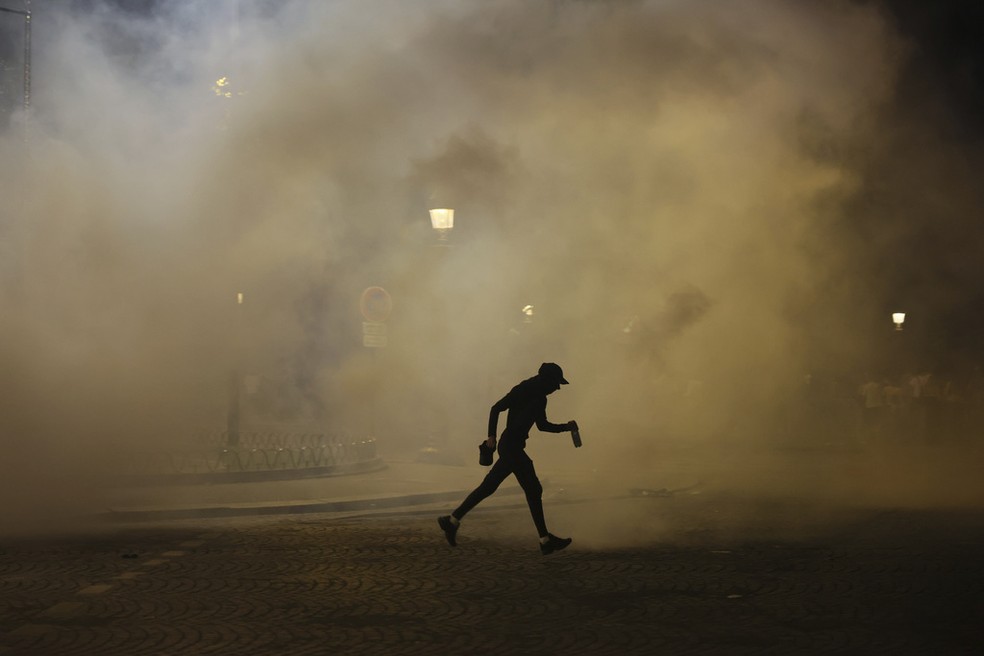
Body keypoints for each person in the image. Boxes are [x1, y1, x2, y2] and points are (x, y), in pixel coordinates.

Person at [438, 362, 578, 555]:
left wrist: (566, 427)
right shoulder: (524, 389)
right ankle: (545, 540)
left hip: (513, 446)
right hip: (510, 446)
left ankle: (452, 521)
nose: (558, 388)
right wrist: (491, 437)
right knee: (533, 488)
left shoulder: (540, 398)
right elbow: (496, 408)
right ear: (546, 380)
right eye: (556, 383)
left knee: (489, 487)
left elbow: (542, 425)